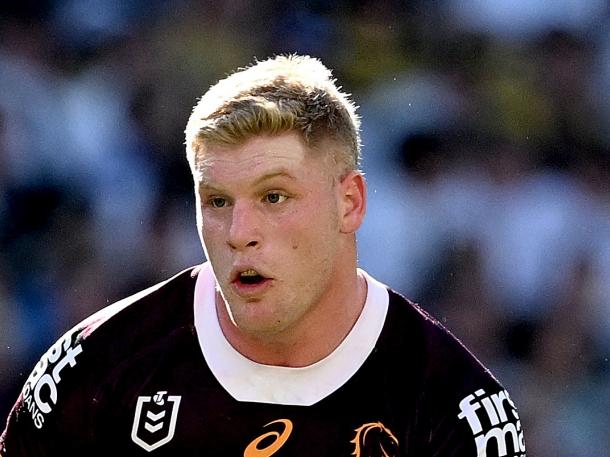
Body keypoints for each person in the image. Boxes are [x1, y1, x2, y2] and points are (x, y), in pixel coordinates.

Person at [0, 55, 526, 456]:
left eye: (274, 197)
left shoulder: (453, 409)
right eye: (217, 201)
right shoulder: (97, 369)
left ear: (350, 203)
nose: (239, 233)